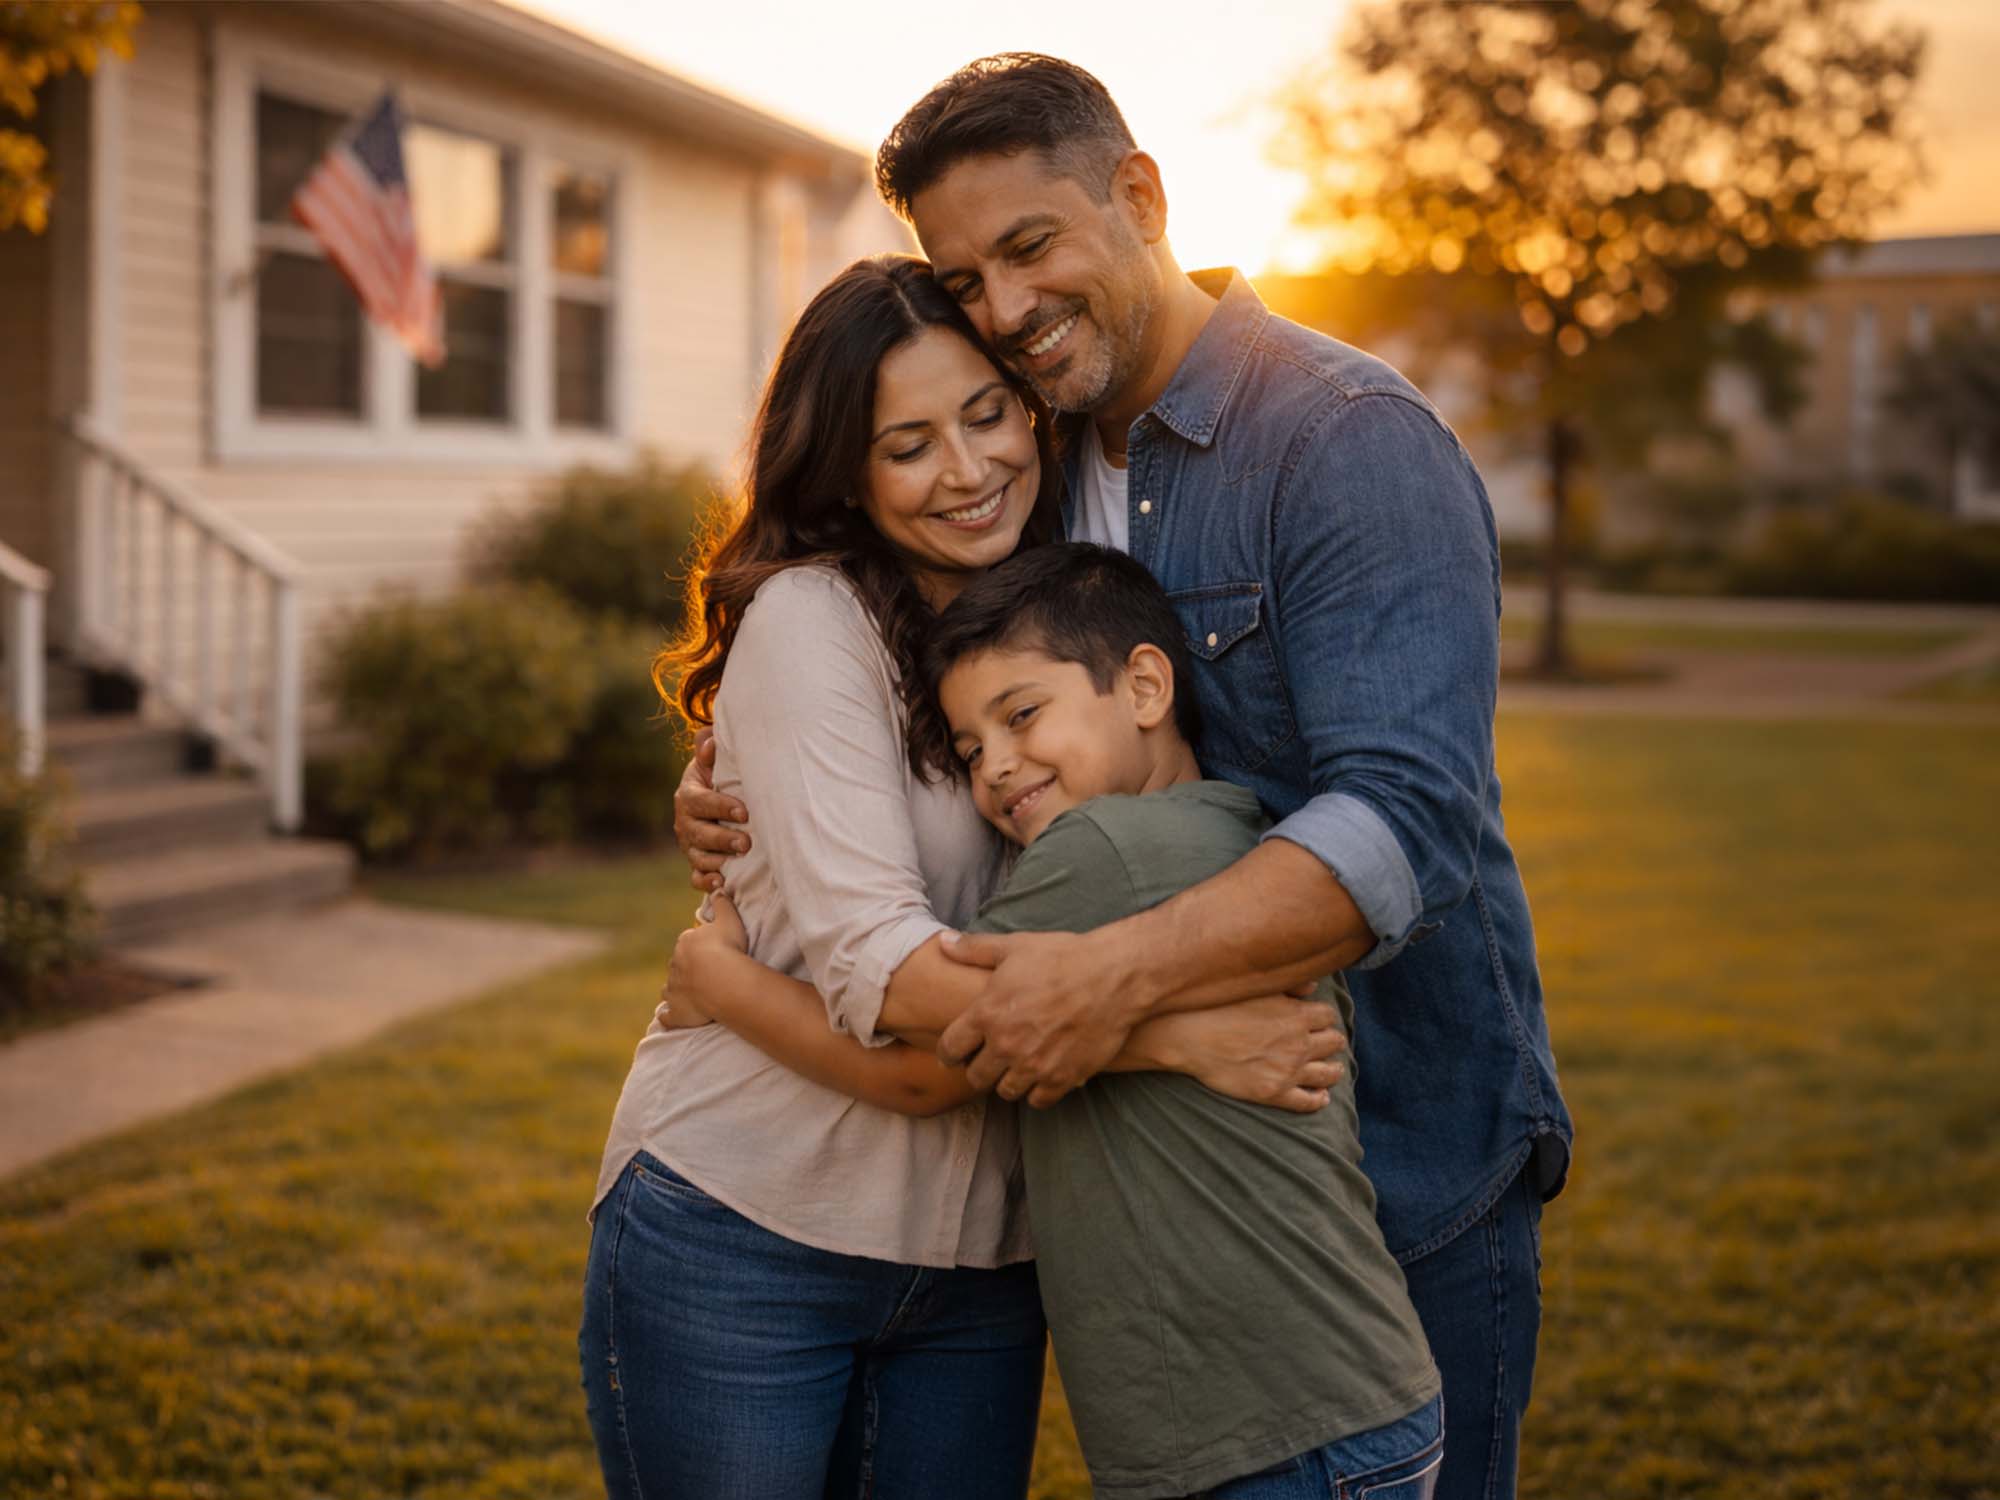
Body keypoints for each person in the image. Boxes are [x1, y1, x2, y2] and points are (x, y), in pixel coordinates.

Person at [674, 54, 1573, 1500]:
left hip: (1397, 1149)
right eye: (965, 278)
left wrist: (1112, 983)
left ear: (1140, 196)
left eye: (1031, 246)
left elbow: (1406, 825)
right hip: (1166, 1195)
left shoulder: (1341, 441)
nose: (1007, 309)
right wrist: (741, 799)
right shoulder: (1045, 462)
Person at [580, 253, 1344, 1498]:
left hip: (989, 1264)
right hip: (748, 1232)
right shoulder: (813, 622)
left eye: (986, 415)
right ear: (845, 468)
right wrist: (1179, 1034)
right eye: (907, 444)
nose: (966, 469)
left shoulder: (1058, 603)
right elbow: (893, 994)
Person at [667, 542, 1445, 1500]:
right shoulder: (1232, 828)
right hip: (1341, 1407)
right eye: (968, 750)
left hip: (1273, 1439)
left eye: (1023, 715)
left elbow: (928, 1069)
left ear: (1146, 687)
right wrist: (1175, 1044)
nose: (996, 768)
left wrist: (719, 980)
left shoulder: (1101, 852)